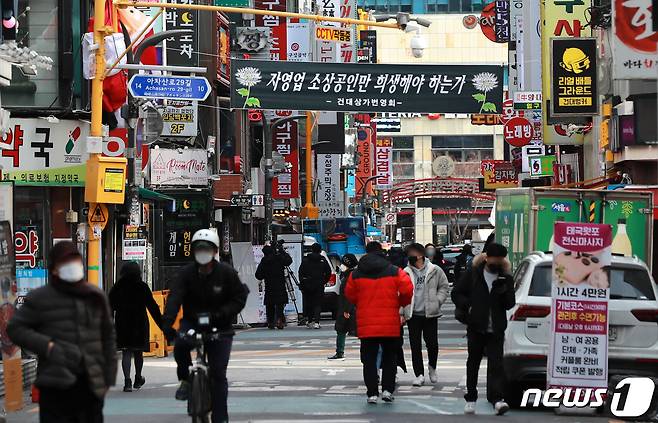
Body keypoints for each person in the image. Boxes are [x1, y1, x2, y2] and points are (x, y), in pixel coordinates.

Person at [8, 241, 116, 423]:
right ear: (54, 268)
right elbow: (15, 328)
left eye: (75, 261)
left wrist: (108, 378)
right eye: (65, 262)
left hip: (90, 385)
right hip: (54, 385)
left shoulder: (95, 296)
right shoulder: (40, 298)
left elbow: (108, 338)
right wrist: (47, 346)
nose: (72, 266)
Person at [163, 229, 249, 423]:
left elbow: (239, 297)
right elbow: (174, 299)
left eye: (207, 248)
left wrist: (222, 314)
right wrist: (167, 324)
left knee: (218, 374)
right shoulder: (186, 274)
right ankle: (185, 379)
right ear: (193, 251)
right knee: (181, 345)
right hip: (192, 323)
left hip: (221, 327)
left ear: (215, 250)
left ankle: (221, 417)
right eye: (199, 249)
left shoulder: (226, 273)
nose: (203, 252)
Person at [451, 243, 515, 416]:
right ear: (487, 257)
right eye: (495, 258)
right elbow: (456, 293)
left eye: (500, 259)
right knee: (473, 363)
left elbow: (510, 303)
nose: (497, 262)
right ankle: (471, 398)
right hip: (476, 326)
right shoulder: (474, 274)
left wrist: (503, 292)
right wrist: (468, 306)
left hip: (496, 329)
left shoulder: (506, 277)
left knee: (496, 365)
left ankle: (497, 400)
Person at [345, 241, 413, 404]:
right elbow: (407, 289)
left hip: (367, 322)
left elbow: (350, 294)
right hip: (390, 322)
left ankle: (372, 393)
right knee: (390, 357)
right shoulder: (394, 270)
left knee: (369, 359)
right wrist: (401, 303)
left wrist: (361, 303)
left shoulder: (355, 274)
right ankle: (388, 390)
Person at [109, 261, 164, 392]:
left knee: (126, 351)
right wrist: (163, 325)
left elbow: (109, 306)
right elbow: (152, 307)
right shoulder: (142, 286)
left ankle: (127, 382)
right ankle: (138, 378)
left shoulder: (117, 287)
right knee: (138, 352)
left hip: (122, 323)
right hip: (139, 323)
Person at [402, 243, 450, 387]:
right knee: (415, 345)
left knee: (432, 344)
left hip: (430, 313)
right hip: (413, 314)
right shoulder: (405, 272)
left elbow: (444, 286)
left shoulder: (434, 270)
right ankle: (419, 374)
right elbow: (400, 292)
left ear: (421, 254)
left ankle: (432, 368)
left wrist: (438, 300)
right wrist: (402, 312)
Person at [255, 241, 293, 329]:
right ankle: (280, 318)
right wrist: (282, 251)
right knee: (280, 303)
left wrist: (265, 274)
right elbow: (288, 261)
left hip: (269, 285)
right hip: (280, 284)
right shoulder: (279, 257)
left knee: (269, 304)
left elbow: (258, 275)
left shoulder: (264, 261)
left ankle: (270, 321)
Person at [328, 253, 358, 360]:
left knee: (341, 329)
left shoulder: (349, 277)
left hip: (347, 308)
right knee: (346, 330)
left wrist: (347, 309)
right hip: (349, 307)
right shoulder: (351, 275)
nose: (341, 265)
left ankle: (340, 352)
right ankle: (339, 351)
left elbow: (350, 294)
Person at [298, 243, 331, 329]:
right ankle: (317, 322)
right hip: (319, 284)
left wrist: (303, 283)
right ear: (320, 250)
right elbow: (328, 272)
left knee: (309, 303)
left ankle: (309, 321)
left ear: (311, 250)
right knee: (317, 304)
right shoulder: (323, 260)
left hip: (307, 284)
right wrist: (324, 281)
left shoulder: (306, 260)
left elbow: (300, 272)